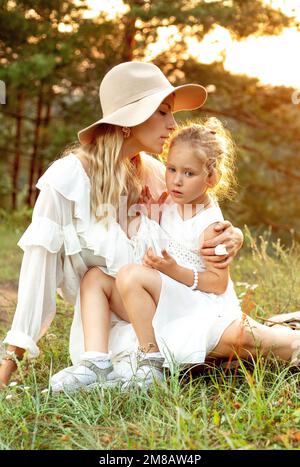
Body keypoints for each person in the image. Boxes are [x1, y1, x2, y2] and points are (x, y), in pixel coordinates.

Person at [0, 62, 244, 389]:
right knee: (95, 279)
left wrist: (234, 235)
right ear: (130, 119)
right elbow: (36, 280)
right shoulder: (68, 180)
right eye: (162, 112)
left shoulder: (159, 173)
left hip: (169, 314)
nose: (173, 125)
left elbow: (201, 215)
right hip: (105, 337)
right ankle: (108, 366)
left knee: (251, 341)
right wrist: (6, 368)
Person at [114, 118, 300, 389]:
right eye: (172, 169)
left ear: (211, 178)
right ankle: (154, 359)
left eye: (189, 173)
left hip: (205, 306)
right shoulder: (169, 201)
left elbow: (217, 283)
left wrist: (169, 268)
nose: (177, 180)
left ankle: (150, 362)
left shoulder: (211, 226)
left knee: (244, 340)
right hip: (176, 303)